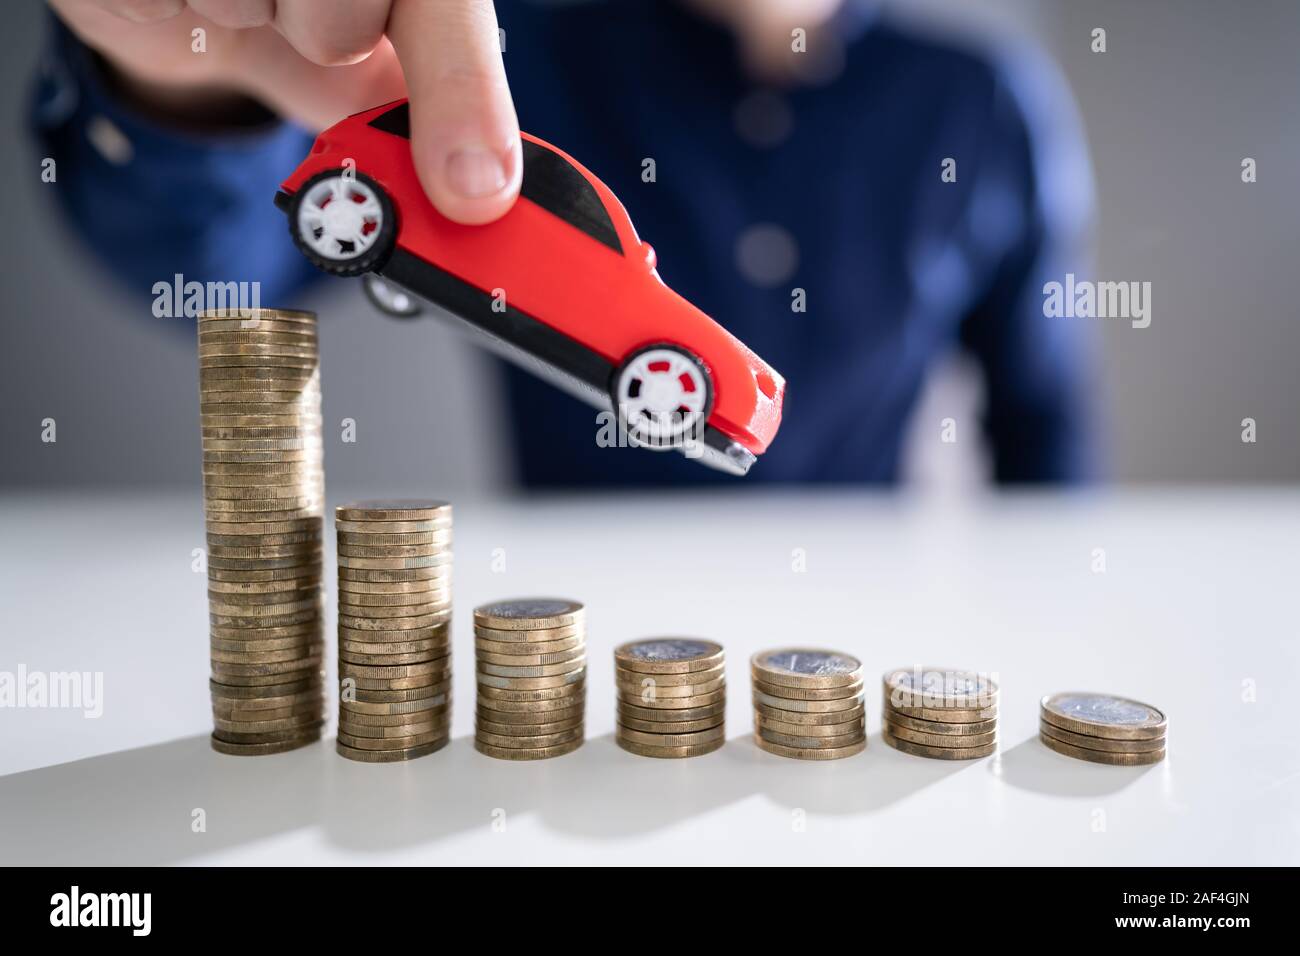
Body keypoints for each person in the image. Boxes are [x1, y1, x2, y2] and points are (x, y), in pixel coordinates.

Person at [34, 0, 1096, 486]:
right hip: (559, 653)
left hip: (859, 627)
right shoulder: (503, 46)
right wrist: (184, 82)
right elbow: (216, 287)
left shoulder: (980, 104)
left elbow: (1045, 419)